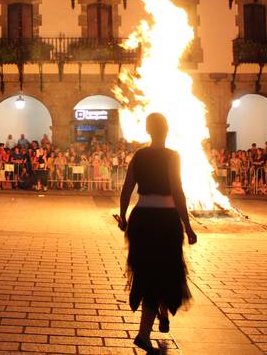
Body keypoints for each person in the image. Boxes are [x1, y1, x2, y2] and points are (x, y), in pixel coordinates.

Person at [117, 113, 196, 354]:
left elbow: (127, 188)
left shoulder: (139, 156)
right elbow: (177, 190)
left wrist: (123, 217)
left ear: (148, 131)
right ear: (167, 130)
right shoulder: (172, 156)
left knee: (146, 271)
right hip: (165, 219)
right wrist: (187, 225)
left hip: (142, 218)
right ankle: (143, 334)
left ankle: (158, 317)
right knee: (164, 270)